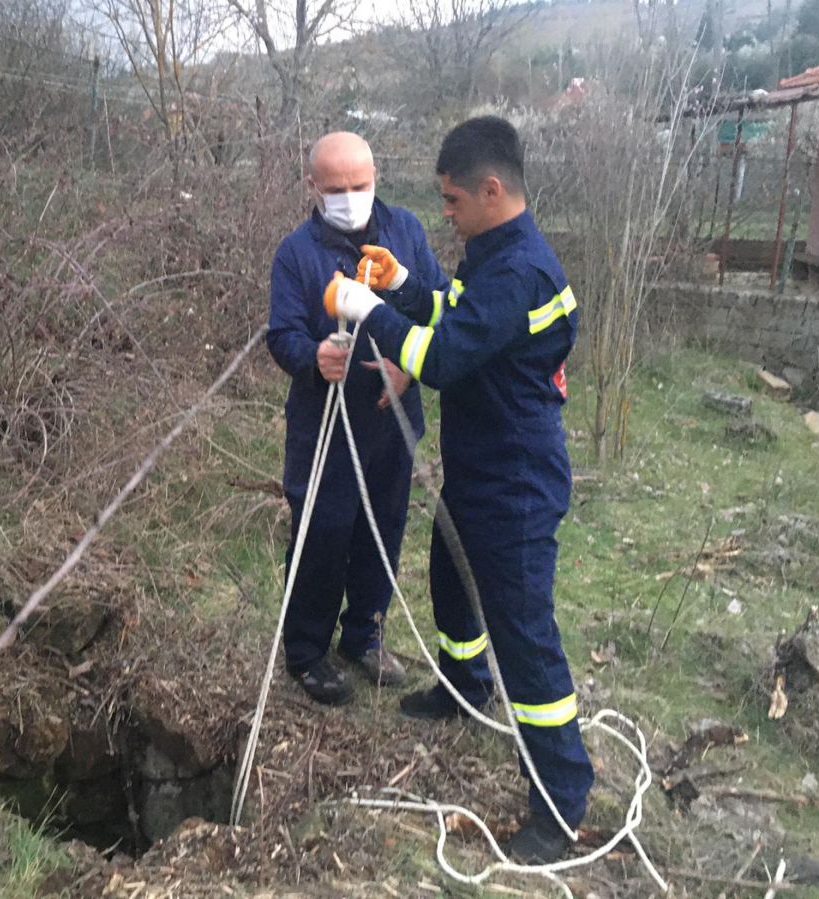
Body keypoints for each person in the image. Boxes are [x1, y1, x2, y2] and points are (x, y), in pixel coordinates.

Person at [321, 116, 594, 863]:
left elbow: (442, 358)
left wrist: (367, 308)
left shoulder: (521, 271)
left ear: (491, 189)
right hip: (482, 465)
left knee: (526, 637)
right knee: (450, 575)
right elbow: (459, 316)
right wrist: (406, 285)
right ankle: (464, 683)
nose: (445, 214)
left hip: (517, 480)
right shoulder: (493, 255)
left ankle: (561, 801)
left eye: (450, 202)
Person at [267, 132, 447, 706]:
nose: (350, 197)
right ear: (313, 187)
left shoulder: (407, 233)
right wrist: (314, 358)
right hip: (324, 423)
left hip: (392, 420)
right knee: (322, 533)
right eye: (337, 188)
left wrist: (409, 368)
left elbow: (436, 303)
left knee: (383, 529)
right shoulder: (296, 253)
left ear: (377, 179)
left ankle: (364, 634)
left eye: (360, 186)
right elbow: (283, 334)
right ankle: (306, 651)